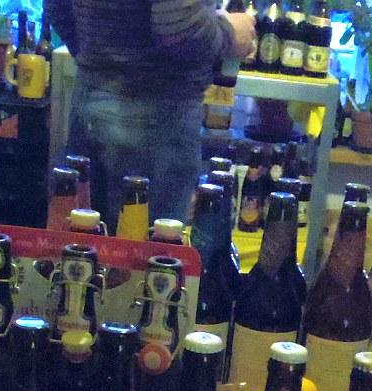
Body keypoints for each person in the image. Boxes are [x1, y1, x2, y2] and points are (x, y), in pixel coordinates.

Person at [46, 0, 256, 228]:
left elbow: (57, 7)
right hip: (157, 114)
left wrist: (98, 61)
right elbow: (179, 25)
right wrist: (231, 33)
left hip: (91, 98)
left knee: (82, 242)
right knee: (145, 247)